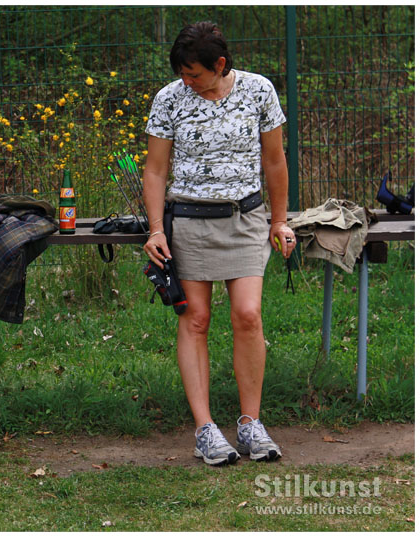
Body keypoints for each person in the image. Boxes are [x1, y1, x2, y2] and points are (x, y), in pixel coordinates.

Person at [142, 21, 296, 466]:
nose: (187, 82)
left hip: (245, 219)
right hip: (188, 223)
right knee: (196, 320)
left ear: (220, 64)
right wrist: (156, 229)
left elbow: (274, 159)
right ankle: (206, 429)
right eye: (182, 73)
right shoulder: (169, 98)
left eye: (194, 74)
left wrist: (280, 220)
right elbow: (154, 169)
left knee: (248, 315)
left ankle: (251, 424)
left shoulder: (258, 91)